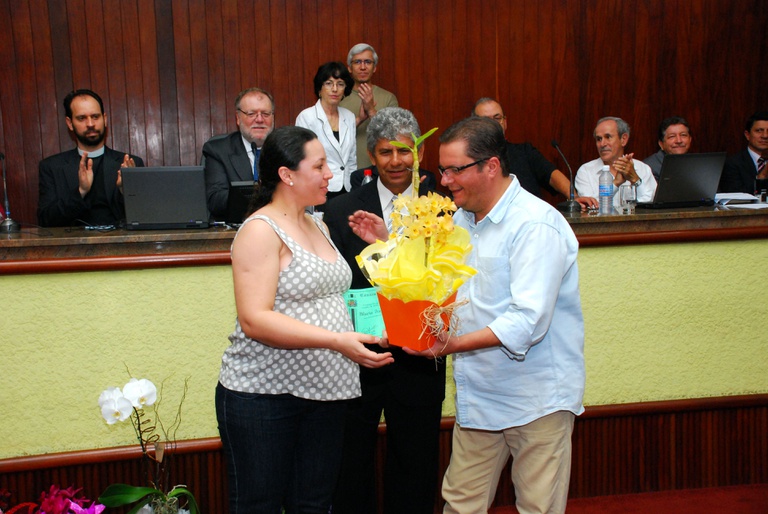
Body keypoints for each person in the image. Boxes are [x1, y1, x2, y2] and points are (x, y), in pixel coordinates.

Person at [352, 116, 584, 513]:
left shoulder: (535, 224)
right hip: (480, 394)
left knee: (537, 507)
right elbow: (433, 280)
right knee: (460, 504)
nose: (443, 181)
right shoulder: (460, 220)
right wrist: (389, 244)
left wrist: (451, 344)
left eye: (454, 170)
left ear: (490, 166)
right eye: (442, 169)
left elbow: (528, 320)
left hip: (538, 397)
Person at [215, 126, 393, 514]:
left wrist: (383, 245)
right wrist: (335, 340)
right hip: (265, 396)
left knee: (313, 504)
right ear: (287, 174)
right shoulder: (261, 231)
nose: (331, 174)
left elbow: (337, 296)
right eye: (320, 165)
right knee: (259, 505)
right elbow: (255, 320)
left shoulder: (319, 223)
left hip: (325, 392)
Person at [325, 108, 445, 514]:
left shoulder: (443, 206)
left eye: (405, 150)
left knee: (416, 458)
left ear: (420, 151)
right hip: (359, 352)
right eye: (385, 152)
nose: (396, 161)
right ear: (371, 157)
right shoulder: (341, 209)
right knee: (350, 457)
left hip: (420, 351)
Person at [37, 89, 144, 227]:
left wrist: (126, 190)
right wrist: (81, 191)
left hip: (120, 245)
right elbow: (45, 221)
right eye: (82, 118)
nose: (90, 124)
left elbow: (144, 216)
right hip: (73, 247)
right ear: (70, 123)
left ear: (104, 119)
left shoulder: (129, 163)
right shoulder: (52, 167)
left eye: (95, 116)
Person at [473, 98, 597, 210]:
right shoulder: (467, 159)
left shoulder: (525, 151)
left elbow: (551, 174)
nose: (493, 124)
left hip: (530, 222)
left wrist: (573, 197)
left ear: (505, 122)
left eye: (497, 118)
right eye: (486, 120)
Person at [202, 87, 275, 219]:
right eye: (251, 114)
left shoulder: (287, 148)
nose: (259, 119)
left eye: (265, 114)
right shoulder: (218, 151)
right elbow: (216, 200)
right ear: (238, 118)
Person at [295, 62, 357, 203]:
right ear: (320, 88)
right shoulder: (307, 117)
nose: (334, 89)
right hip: (319, 187)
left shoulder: (349, 116)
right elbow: (302, 158)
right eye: (329, 83)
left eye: (340, 84)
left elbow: (352, 159)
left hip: (347, 189)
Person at [575, 116, 657, 208]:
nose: (602, 144)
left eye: (608, 137)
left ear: (623, 139)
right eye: (599, 139)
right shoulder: (586, 171)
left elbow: (651, 205)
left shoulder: (642, 168)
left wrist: (635, 180)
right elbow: (592, 206)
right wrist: (615, 183)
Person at [340, 43, 399, 168]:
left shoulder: (388, 98)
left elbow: (395, 136)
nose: (363, 67)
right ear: (350, 68)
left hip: (381, 169)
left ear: (374, 67)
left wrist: (371, 110)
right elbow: (331, 137)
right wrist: (359, 120)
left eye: (367, 62)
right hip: (346, 172)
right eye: (357, 62)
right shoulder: (339, 98)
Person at [719, 111, 768, 194]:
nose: (765, 136)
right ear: (747, 135)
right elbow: (735, 197)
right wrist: (762, 176)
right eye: (759, 130)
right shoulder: (732, 164)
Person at [643, 116, 693, 181]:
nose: (679, 141)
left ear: (690, 139)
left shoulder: (697, 164)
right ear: (661, 144)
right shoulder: (649, 167)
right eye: (672, 136)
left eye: (683, 135)